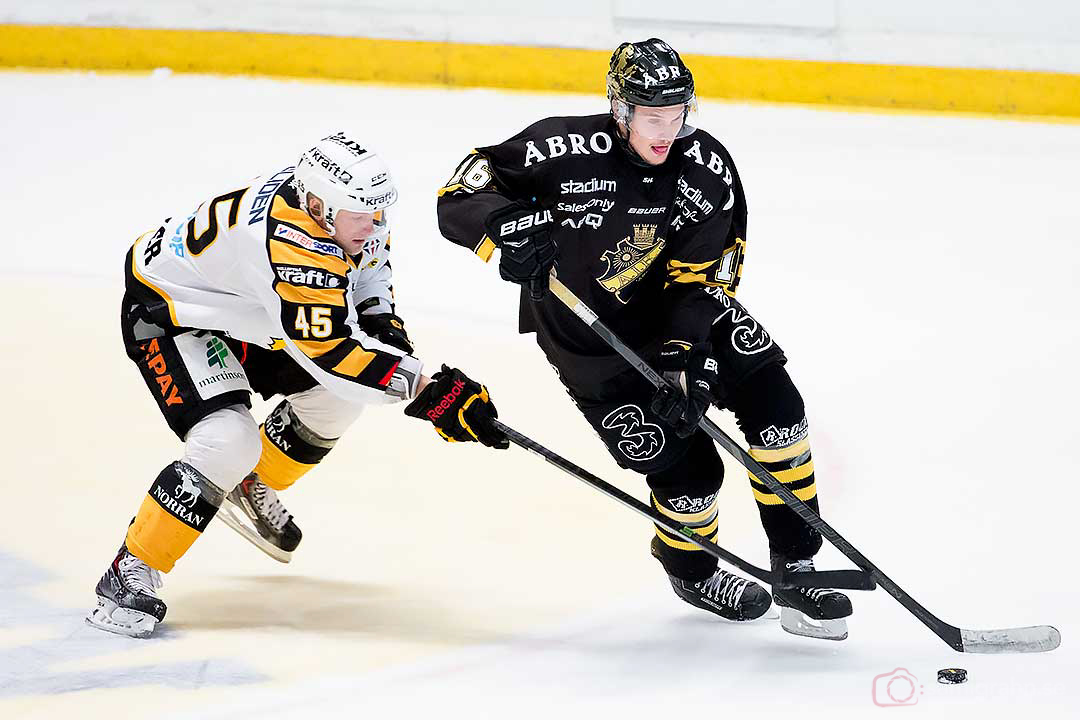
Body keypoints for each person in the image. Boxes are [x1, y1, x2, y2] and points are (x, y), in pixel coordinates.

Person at [436, 39, 851, 638]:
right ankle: (689, 566)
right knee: (690, 470)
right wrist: (505, 227)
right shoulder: (560, 149)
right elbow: (460, 194)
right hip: (589, 340)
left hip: (683, 316)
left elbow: (703, 280)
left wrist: (690, 362)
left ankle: (797, 562)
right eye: (652, 116)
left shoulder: (705, 169)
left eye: (677, 113)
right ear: (620, 110)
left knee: (776, 406)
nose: (666, 130)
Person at [88, 132, 507, 638]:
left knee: (336, 401)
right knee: (227, 442)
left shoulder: (344, 215)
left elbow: (370, 279)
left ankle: (248, 481)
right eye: (362, 214)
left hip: (249, 308)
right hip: (173, 312)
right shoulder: (293, 245)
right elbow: (332, 353)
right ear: (316, 205)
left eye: (379, 212)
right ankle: (130, 570)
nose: (374, 226)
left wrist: (394, 344)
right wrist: (425, 388)